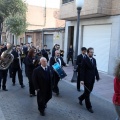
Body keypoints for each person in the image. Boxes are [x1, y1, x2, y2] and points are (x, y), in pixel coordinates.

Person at [78, 47, 100, 113]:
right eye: (91, 52)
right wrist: (82, 80)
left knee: (89, 91)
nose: (92, 53)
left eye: (93, 52)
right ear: (88, 53)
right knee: (87, 93)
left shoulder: (94, 60)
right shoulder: (84, 60)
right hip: (86, 79)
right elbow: (82, 70)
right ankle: (89, 107)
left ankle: (81, 98)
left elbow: (95, 68)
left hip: (92, 79)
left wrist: (97, 76)